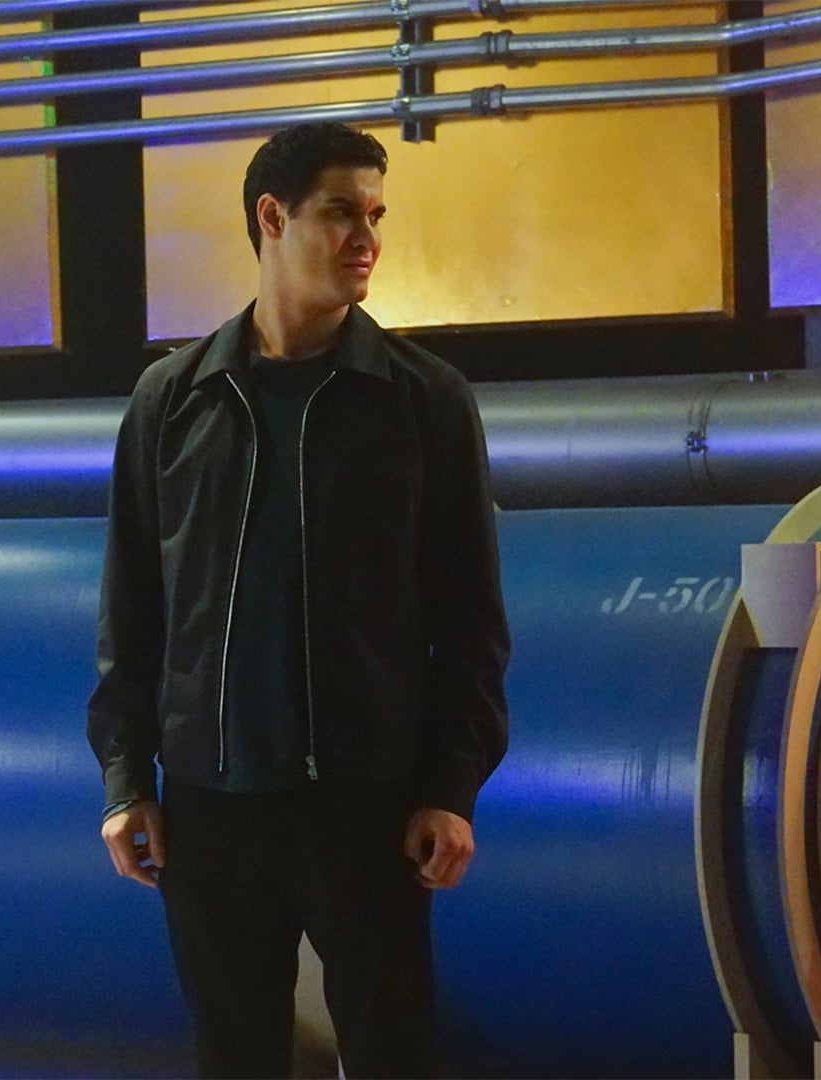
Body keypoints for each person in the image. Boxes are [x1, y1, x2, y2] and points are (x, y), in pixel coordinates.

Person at [87, 122, 510, 1079]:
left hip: (366, 807)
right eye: (341, 213)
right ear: (272, 218)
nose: (367, 237)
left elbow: (471, 622)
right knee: (234, 1059)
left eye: (376, 215)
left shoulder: (424, 402)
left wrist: (450, 789)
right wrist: (127, 779)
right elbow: (133, 611)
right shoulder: (172, 400)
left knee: (393, 1056)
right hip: (210, 809)